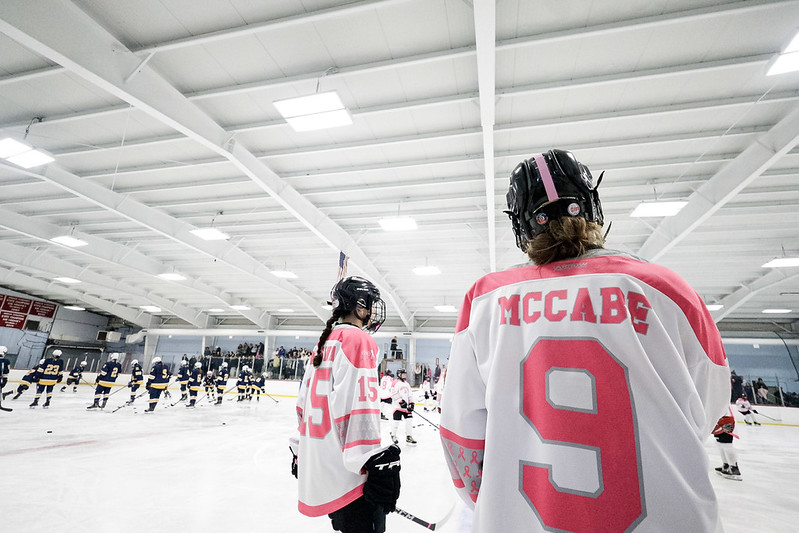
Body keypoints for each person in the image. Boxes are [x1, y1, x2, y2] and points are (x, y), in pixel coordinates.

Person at [440, 149, 730, 532]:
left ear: (521, 225)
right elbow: (707, 407)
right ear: (591, 202)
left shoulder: (483, 299)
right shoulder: (667, 289)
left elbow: (460, 434)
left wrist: (497, 502)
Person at [289, 276, 400, 533]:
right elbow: (359, 407)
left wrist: (300, 449)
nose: (373, 311)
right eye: (371, 304)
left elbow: (303, 404)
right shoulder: (359, 340)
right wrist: (371, 459)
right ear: (360, 306)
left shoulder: (324, 341)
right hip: (350, 477)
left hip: (325, 466)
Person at [712, 407, 742, 480]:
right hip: (721, 420)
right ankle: (726, 465)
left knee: (726, 445)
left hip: (726, 420)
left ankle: (734, 468)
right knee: (720, 444)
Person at [390, 368, 416, 446]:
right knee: (396, 422)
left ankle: (409, 436)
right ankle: (393, 435)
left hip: (406, 408)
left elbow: (410, 394)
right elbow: (393, 394)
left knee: (409, 421)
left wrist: (411, 403)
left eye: (405, 374)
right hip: (398, 407)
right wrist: (400, 402)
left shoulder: (407, 384)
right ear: (399, 374)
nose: (405, 375)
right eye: (403, 374)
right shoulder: (395, 383)